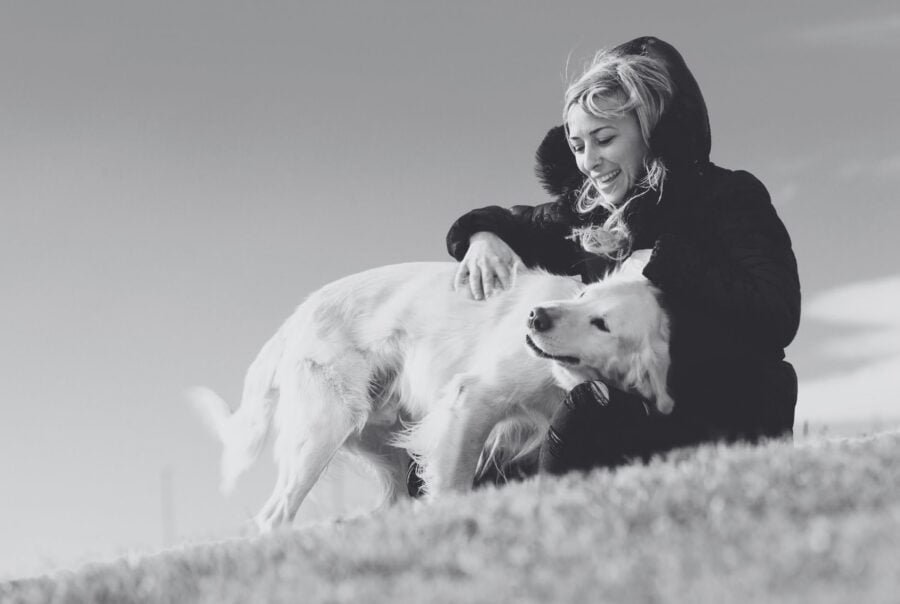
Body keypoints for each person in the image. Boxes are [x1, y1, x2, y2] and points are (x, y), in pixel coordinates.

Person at [445, 36, 800, 478]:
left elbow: (778, 314)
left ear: (651, 129)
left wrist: (666, 260)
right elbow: (516, 222)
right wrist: (481, 235)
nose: (589, 161)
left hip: (732, 404)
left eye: (604, 139)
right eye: (577, 146)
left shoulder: (729, 195)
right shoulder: (589, 214)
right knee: (462, 470)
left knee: (586, 407)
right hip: (633, 413)